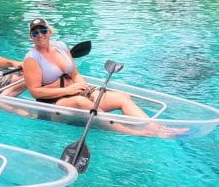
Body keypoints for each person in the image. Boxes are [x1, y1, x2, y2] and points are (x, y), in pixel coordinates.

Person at [21, 18, 187, 138]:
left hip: (76, 92)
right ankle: (138, 132)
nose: (40, 35)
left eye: (43, 31)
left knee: (122, 98)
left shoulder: (61, 47)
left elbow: (76, 73)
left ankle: (156, 127)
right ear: (31, 37)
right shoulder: (32, 58)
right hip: (53, 104)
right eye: (35, 33)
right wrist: (68, 90)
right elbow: (35, 92)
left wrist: (81, 86)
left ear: (50, 32)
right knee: (82, 103)